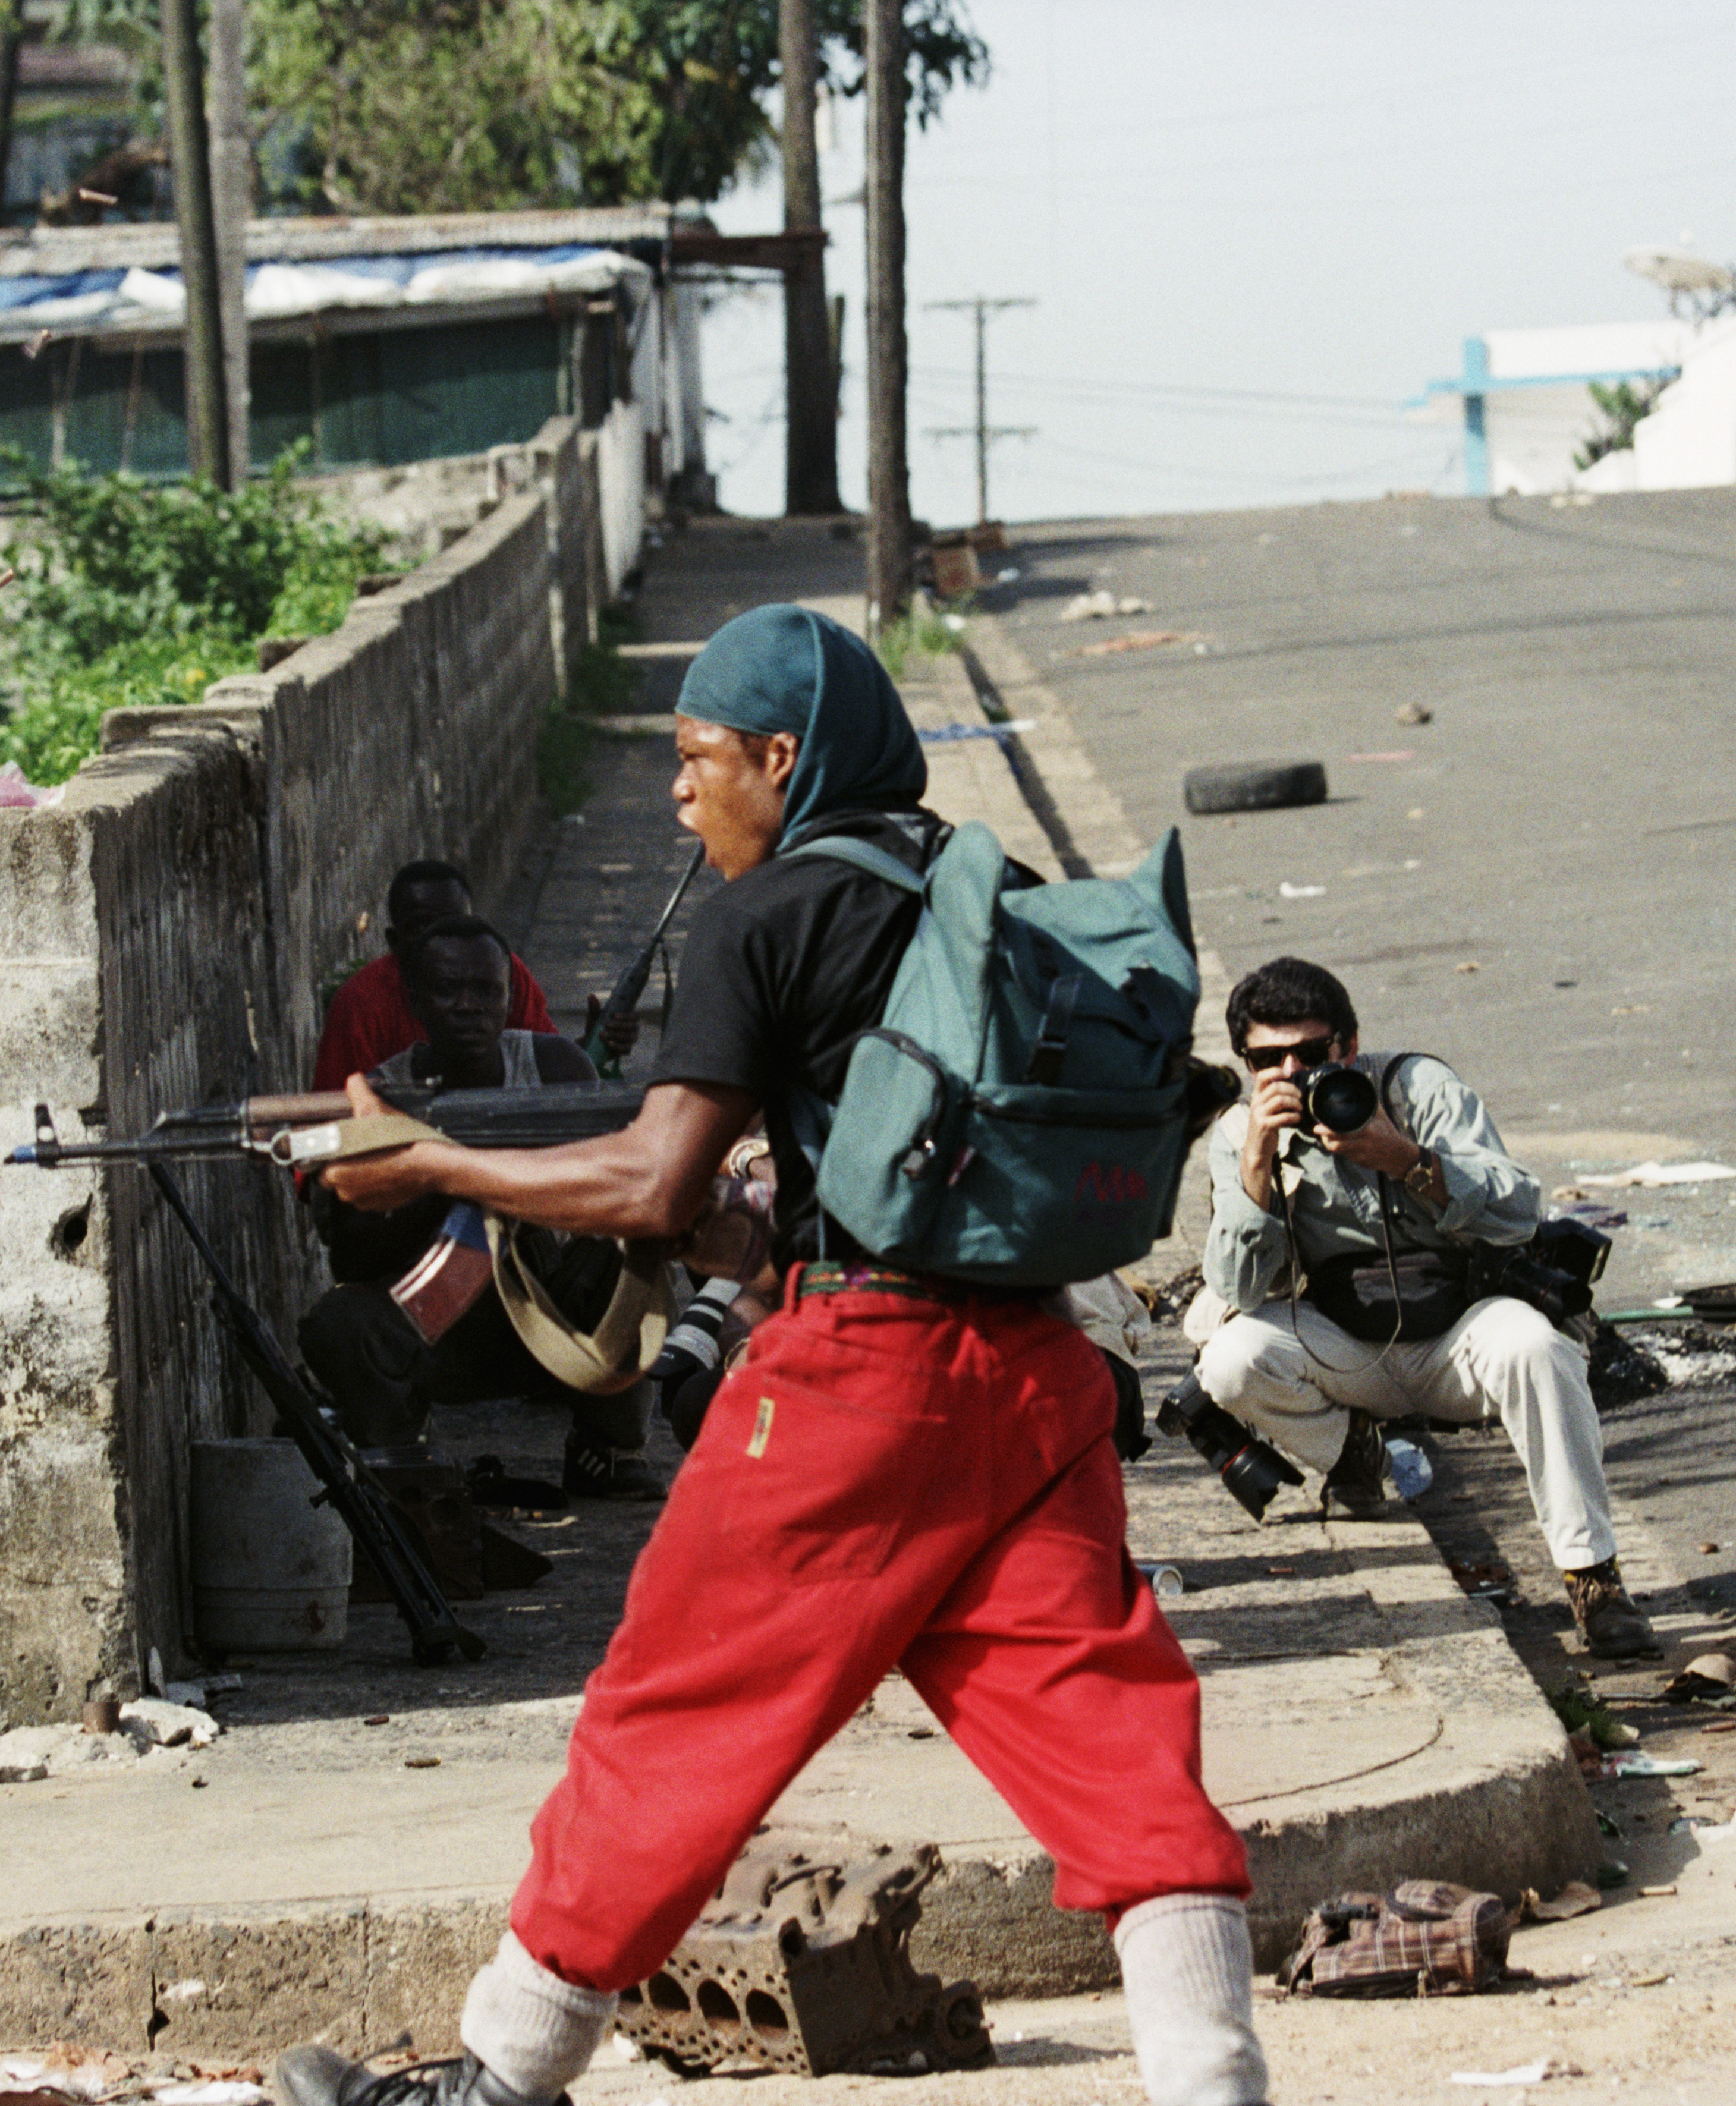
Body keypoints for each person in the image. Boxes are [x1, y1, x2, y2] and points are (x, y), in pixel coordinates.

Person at [272, 605, 1268, 2106]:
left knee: (669, 1715)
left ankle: (496, 2083)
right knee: (1109, 1737)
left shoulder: (764, 916)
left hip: (861, 1390)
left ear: (780, 758)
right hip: (1034, 1377)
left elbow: (651, 1186)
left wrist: (428, 1160)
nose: (679, 795)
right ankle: (1218, 2084)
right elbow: (850, 1192)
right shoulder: (964, 890)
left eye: (695, 760)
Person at [1190, 955, 1659, 1662]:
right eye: (1268, 1059)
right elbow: (1238, 1288)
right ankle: (1355, 1451)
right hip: (1346, 1346)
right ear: (1246, 1063)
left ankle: (1592, 1577)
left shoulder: (1414, 1088)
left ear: (1347, 1045)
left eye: (1311, 1054)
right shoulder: (1235, 1135)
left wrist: (1408, 1159)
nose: (1291, 1073)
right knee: (1228, 1360)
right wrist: (1256, 1166)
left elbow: (1518, 1210)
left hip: (1458, 1335)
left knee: (1538, 1348)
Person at [296, 916, 664, 1501]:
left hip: (551, 1314)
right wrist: (439, 1175)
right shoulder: (379, 1097)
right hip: (437, 1333)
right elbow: (350, 1254)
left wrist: (513, 1178)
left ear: (508, 997)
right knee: (339, 1325)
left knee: (635, 1260)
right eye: (447, 991)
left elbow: (617, 1188)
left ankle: (610, 1448)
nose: (468, 1007)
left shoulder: (556, 1073)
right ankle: (404, 1469)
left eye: (485, 991)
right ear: (415, 1000)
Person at [312, 860, 562, 1090]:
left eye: (454, 925)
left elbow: (545, 1059)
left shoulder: (501, 970)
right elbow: (337, 1111)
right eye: (422, 926)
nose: (467, 1005)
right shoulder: (361, 1005)